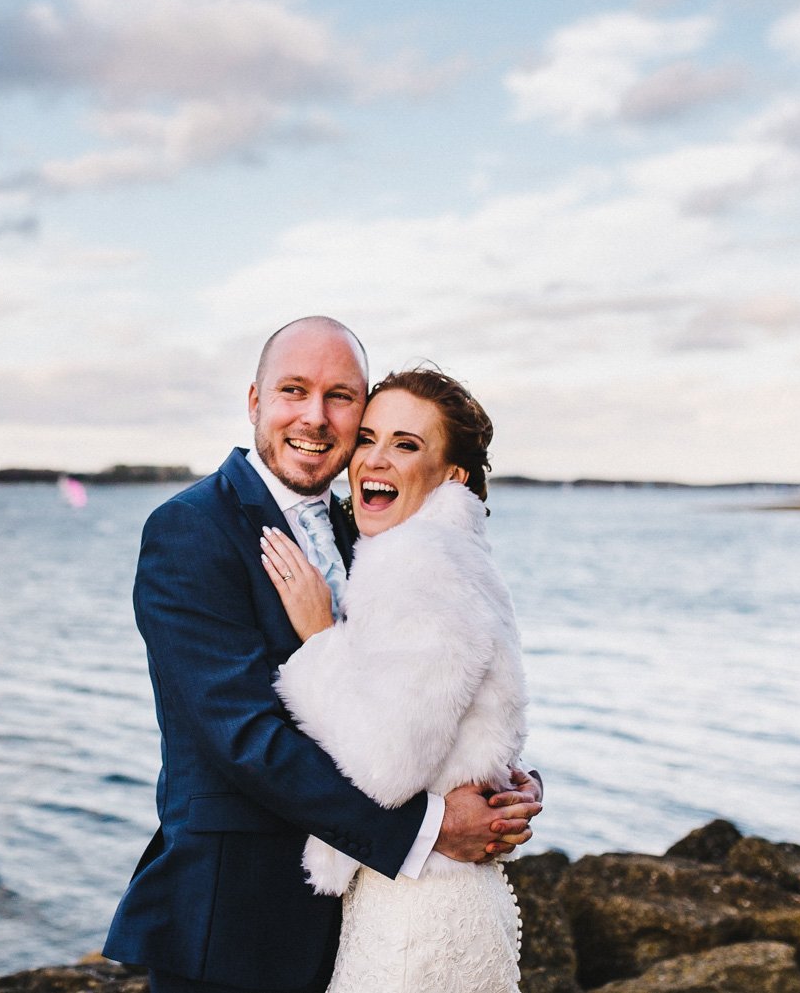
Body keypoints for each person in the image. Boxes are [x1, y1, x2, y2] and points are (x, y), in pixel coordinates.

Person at [103, 317, 541, 993]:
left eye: (341, 397)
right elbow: (248, 740)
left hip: (359, 912)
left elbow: (436, 681)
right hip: (241, 922)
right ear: (255, 401)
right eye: (294, 390)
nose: (315, 415)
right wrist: (430, 827)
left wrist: (503, 781)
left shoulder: (369, 523)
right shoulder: (191, 529)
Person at [259, 367, 529, 991]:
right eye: (369, 438)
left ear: (452, 473)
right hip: (442, 896)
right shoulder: (462, 556)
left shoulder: (414, 562)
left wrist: (321, 640)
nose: (375, 459)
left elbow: (384, 767)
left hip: (415, 918)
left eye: (406, 445)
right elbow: (480, 713)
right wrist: (512, 784)